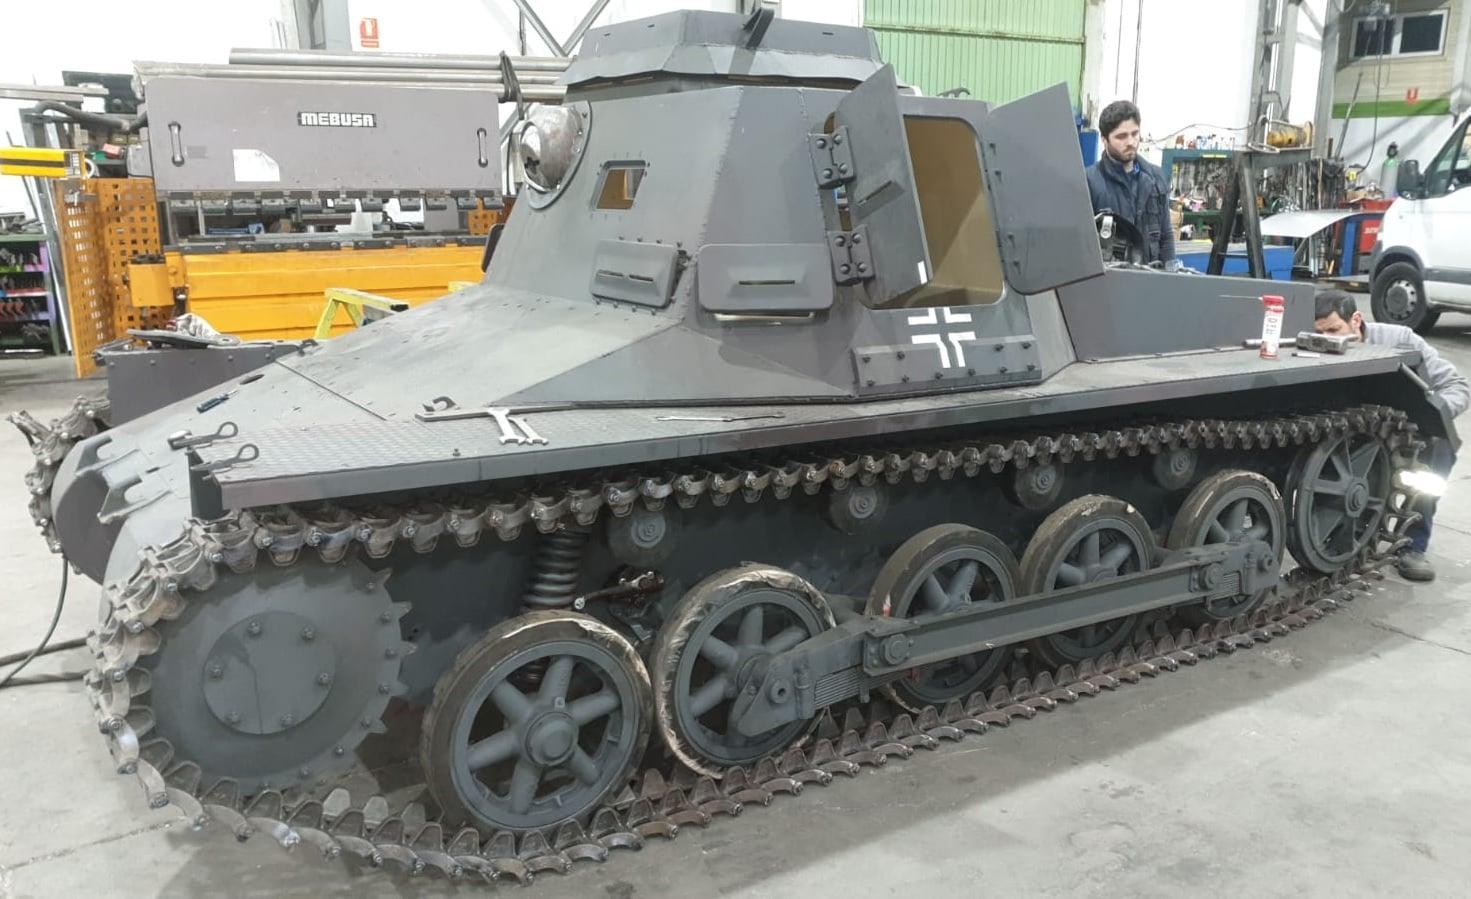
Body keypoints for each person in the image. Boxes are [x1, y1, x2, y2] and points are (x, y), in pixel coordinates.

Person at [1314, 289, 1468, 581]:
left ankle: (1412, 544)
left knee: (1438, 451)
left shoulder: (1400, 340)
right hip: (1352, 433)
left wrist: (1425, 419)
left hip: (1403, 434)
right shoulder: (1312, 346)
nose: (1326, 340)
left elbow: (1456, 385)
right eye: (1319, 333)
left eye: (1333, 331)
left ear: (1355, 320)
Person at [1086, 100, 1178, 270]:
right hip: (1112, 281)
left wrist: (1172, 274)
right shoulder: (1089, 182)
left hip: (1151, 278)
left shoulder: (1155, 178)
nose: (1130, 142)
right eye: (1121, 136)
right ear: (1104, 140)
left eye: (1134, 134)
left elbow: (1166, 236)